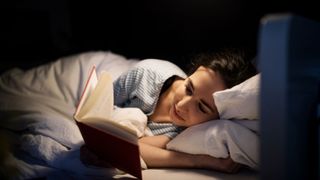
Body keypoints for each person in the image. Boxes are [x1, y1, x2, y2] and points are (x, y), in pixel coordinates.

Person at [81, 48, 258, 173]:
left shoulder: (191, 132)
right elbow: (96, 105)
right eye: (189, 88)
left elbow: (131, 148)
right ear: (192, 72)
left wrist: (204, 161)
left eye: (202, 107)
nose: (182, 106)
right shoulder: (146, 74)